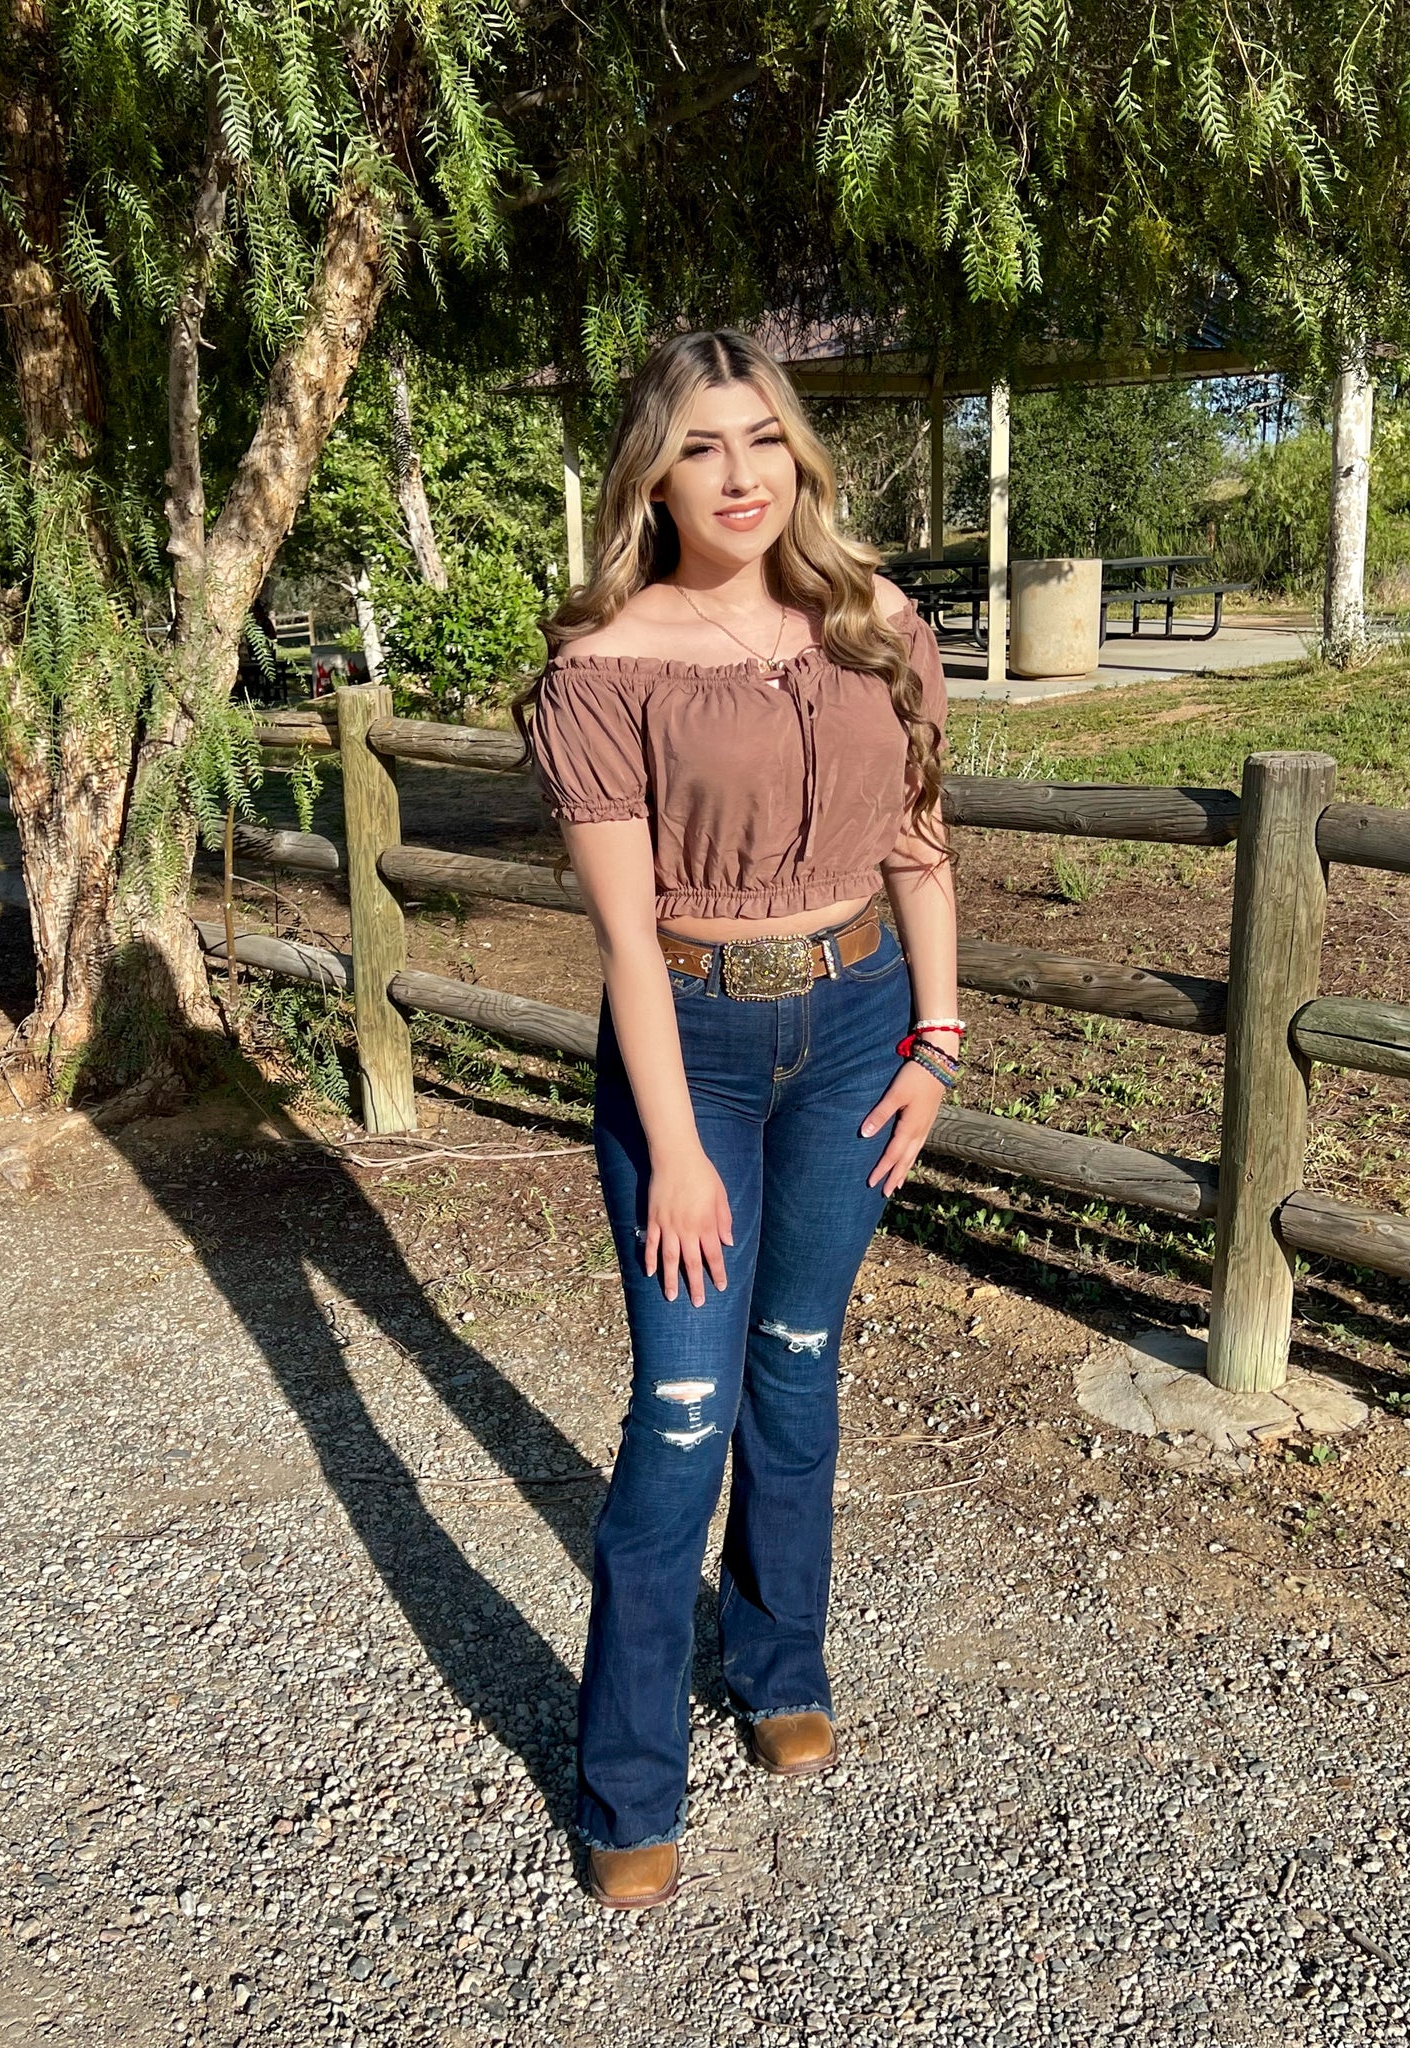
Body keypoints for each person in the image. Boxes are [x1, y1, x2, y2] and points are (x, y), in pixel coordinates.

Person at [514, 328, 961, 1910]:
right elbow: (627, 942)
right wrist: (679, 1154)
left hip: (858, 1029)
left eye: (763, 439)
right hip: (689, 1048)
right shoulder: (606, 662)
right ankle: (630, 1782)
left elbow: (919, 848)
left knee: (799, 1366)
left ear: (800, 456)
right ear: (653, 475)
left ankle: (779, 1667)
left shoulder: (876, 623)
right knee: (682, 1410)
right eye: (701, 446)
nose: (739, 475)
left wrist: (936, 1042)